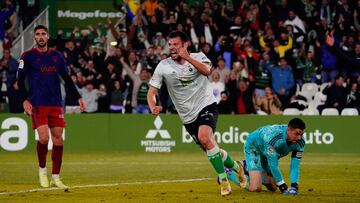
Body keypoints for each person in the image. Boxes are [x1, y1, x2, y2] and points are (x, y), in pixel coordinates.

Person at [147, 30, 245, 196]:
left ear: (186, 45)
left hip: (206, 105)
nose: (171, 47)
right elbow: (152, 91)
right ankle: (237, 167)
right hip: (187, 116)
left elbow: (207, 71)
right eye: (170, 44)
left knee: (204, 137)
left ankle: (223, 180)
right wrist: (153, 106)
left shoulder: (199, 57)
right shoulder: (163, 66)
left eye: (175, 44)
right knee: (211, 148)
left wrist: (186, 57)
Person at [17, 25, 86, 189]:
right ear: (35, 38)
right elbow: (19, 81)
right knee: (43, 138)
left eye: (43, 34)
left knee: (58, 140)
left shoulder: (57, 56)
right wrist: (25, 100)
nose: (41, 37)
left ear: (48, 37)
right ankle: (42, 171)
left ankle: (56, 177)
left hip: (55, 103)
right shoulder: (27, 57)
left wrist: (78, 98)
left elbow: (66, 78)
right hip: (38, 103)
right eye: (38, 34)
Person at [241, 118, 306, 195]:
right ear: (288, 130)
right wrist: (283, 187)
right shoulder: (273, 138)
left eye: (301, 134)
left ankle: (252, 172)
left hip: (266, 151)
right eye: (297, 134)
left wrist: (294, 186)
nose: (299, 138)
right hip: (254, 147)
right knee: (255, 188)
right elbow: (273, 165)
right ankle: (232, 170)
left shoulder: (300, 142)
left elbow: (295, 165)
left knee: (273, 187)